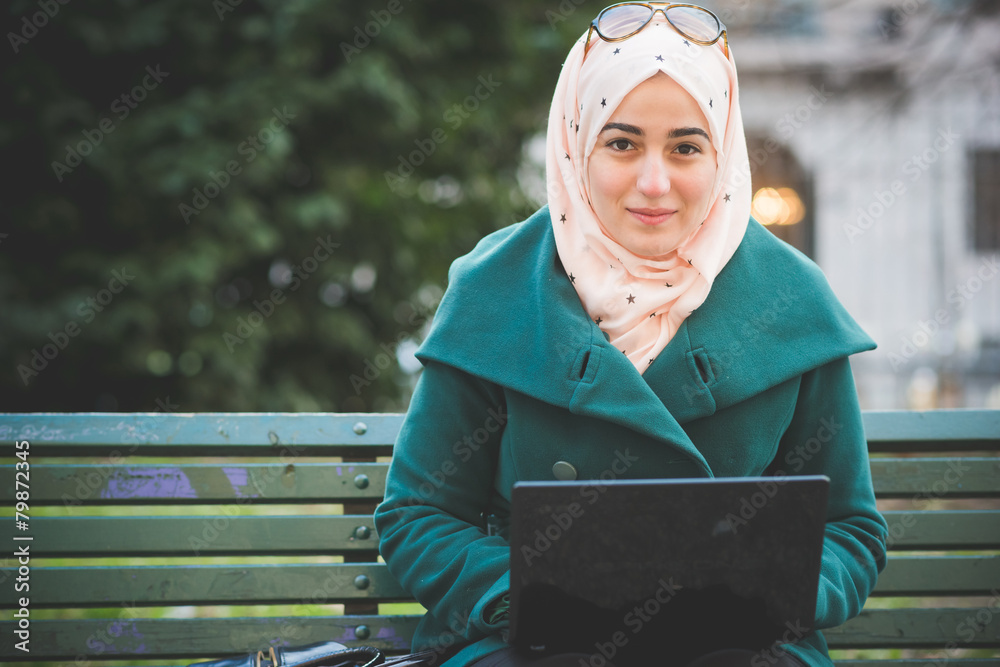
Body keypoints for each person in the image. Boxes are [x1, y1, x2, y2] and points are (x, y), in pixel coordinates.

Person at [374, 4, 888, 666]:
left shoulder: (793, 299)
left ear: (722, 152)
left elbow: (851, 527)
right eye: (621, 143)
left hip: (739, 644)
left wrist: (779, 590)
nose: (654, 182)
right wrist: (523, 595)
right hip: (526, 641)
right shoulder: (493, 290)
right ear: (575, 143)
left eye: (685, 146)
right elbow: (418, 513)